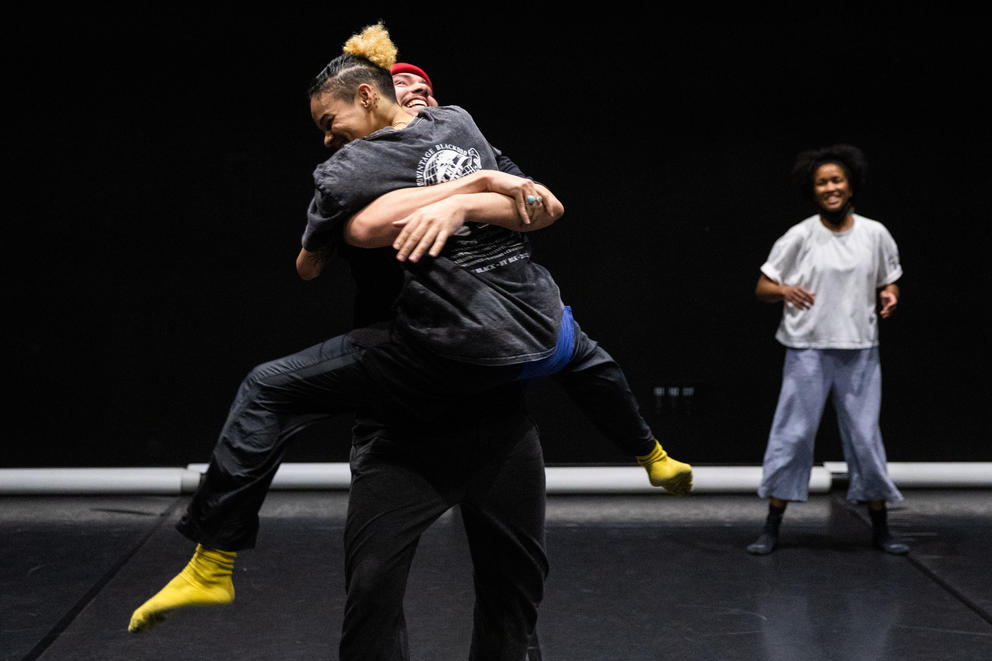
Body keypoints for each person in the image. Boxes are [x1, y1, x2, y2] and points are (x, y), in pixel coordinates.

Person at [128, 25, 691, 654]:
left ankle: (647, 450)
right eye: (407, 89)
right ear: (382, 92)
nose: (419, 102)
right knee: (371, 592)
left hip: (493, 412)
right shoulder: (355, 170)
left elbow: (543, 206)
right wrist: (471, 189)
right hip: (405, 410)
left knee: (514, 597)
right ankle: (213, 562)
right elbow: (364, 230)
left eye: (425, 94)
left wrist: (470, 203)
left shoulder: (461, 133)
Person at [746, 144, 909, 556]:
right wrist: (784, 289)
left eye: (837, 180)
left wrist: (890, 294)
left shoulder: (875, 234)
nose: (831, 188)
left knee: (865, 438)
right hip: (808, 351)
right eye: (822, 182)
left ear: (850, 185)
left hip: (859, 350)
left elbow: (888, 280)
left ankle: (881, 527)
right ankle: (772, 525)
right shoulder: (800, 236)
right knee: (793, 435)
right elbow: (763, 287)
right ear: (813, 190)